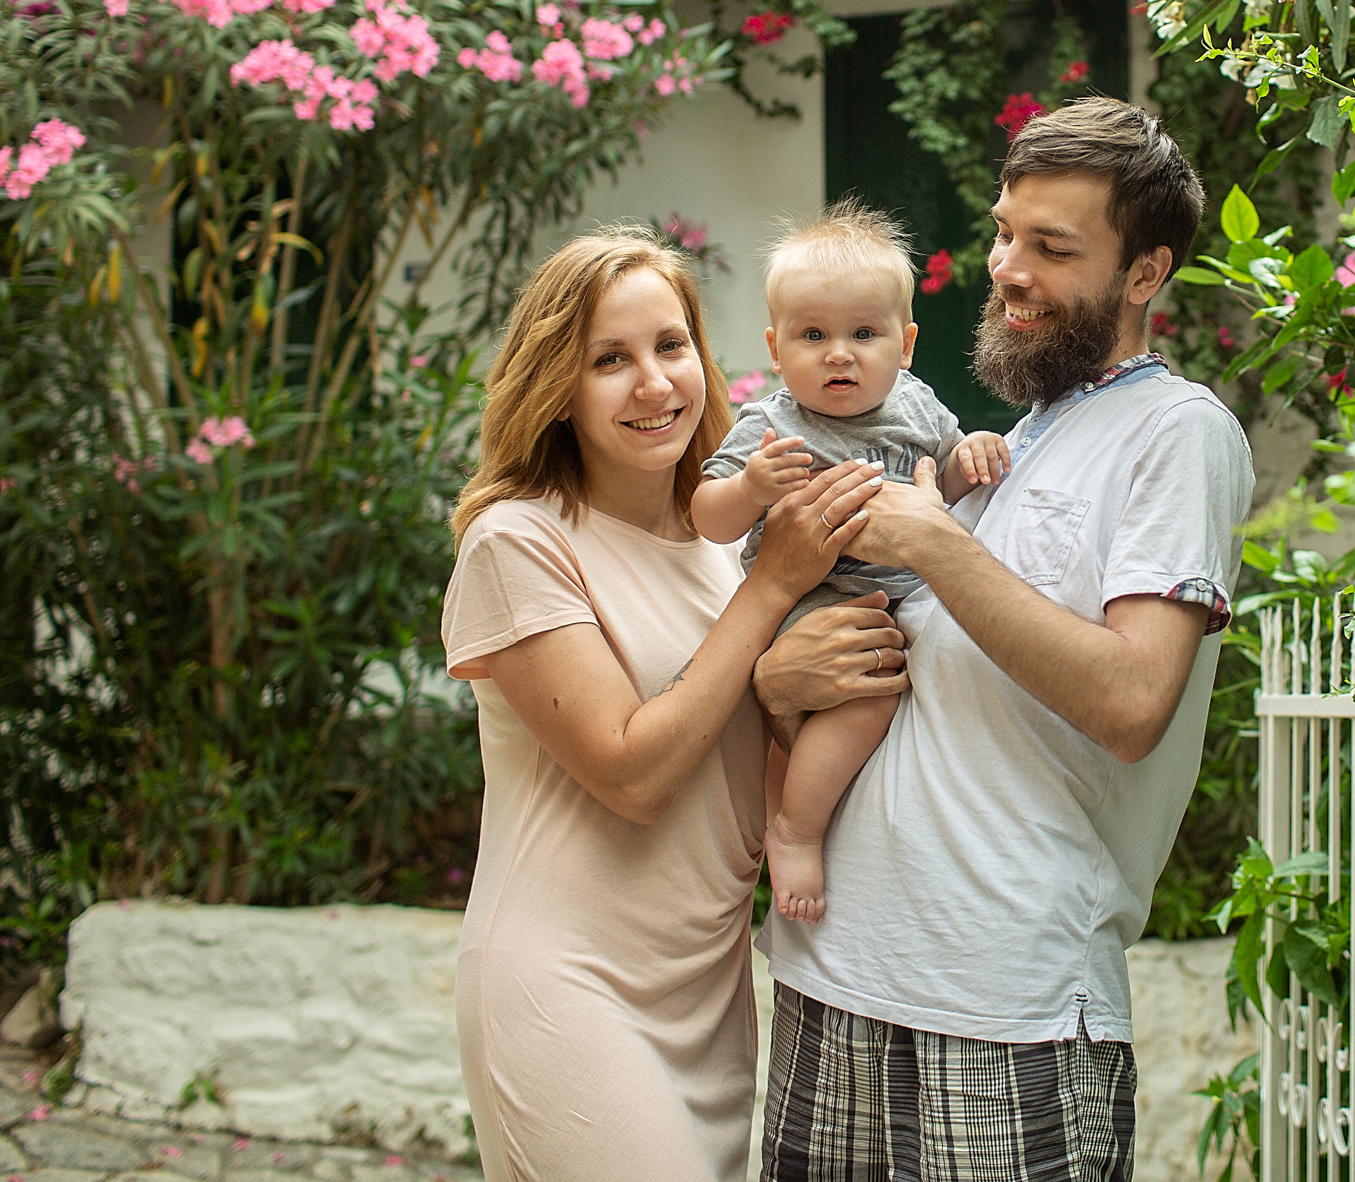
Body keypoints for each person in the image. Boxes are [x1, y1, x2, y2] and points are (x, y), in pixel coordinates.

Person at [756, 98, 1254, 1182]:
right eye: (1003, 232)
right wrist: (779, 674)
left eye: (1051, 246)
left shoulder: (1179, 432)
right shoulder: (1006, 444)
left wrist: (938, 545)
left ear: (1143, 272)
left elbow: (1132, 701)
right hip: (831, 972)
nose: (1006, 268)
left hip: (1005, 1003)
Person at [439, 228, 904, 1182]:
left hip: (708, 991)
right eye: (609, 359)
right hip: (568, 984)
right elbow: (634, 771)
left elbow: (755, 774)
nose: (654, 384)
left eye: (670, 345)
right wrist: (771, 593)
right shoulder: (520, 541)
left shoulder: (725, 547)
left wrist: (789, 683)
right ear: (556, 386)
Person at [692, 201, 1012, 923]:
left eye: (864, 333)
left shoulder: (918, 406)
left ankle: (811, 806)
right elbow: (706, 514)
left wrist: (973, 452)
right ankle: (796, 831)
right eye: (813, 334)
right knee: (868, 693)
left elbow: (949, 481)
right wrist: (750, 487)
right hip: (816, 596)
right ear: (776, 348)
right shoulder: (770, 424)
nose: (839, 352)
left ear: (905, 343)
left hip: (902, 594)